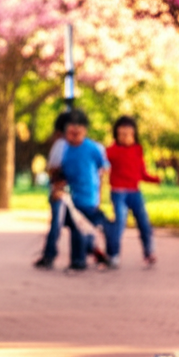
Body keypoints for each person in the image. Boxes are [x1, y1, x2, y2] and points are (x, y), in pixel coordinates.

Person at [59, 109, 112, 271]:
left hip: (89, 196)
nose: (74, 136)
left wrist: (101, 192)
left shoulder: (92, 148)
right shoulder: (65, 150)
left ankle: (82, 257)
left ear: (84, 131)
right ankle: (85, 253)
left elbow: (105, 167)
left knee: (82, 228)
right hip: (73, 198)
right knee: (76, 227)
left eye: (78, 132)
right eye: (70, 132)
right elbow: (63, 172)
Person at [105, 116, 160, 267]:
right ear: (116, 134)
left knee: (144, 223)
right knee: (119, 223)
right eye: (122, 134)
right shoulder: (111, 151)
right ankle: (113, 255)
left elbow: (141, 173)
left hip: (135, 192)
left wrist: (155, 179)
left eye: (129, 134)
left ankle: (149, 253)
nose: (126, 137)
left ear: (134, 134)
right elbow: (101, 166)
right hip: (118, 192)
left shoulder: (137, 150)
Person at [35, 110, 72, 269]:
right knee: (66, 224)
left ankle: (50, 254)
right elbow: (53, 168)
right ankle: (50, 253)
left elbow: (52, 167)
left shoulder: (62, 144)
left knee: (59, 224)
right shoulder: (65, 144)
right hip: (65, 190)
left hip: (65, 190)